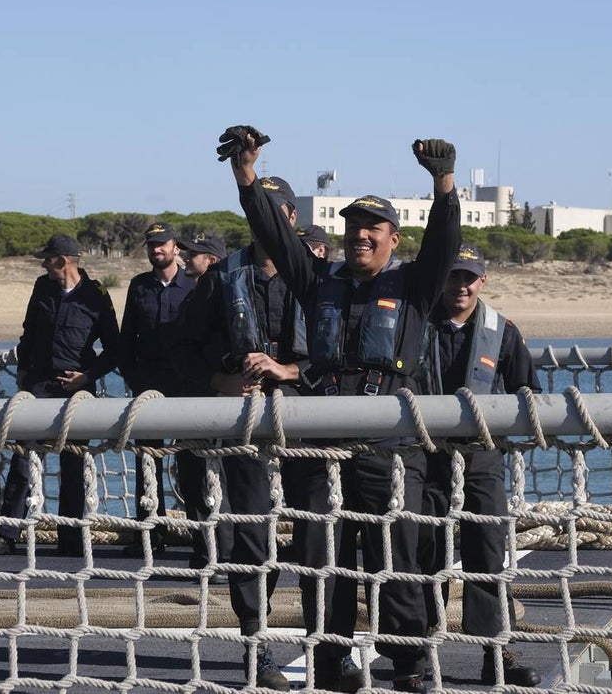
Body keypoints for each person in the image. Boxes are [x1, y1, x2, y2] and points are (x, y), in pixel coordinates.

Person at [219, 125, 462, 693]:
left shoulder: (415, 288)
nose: (360, 236)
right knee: (321, 560)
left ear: (392, 239)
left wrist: (444, 182)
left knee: (395, 560)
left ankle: (408, 665)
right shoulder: (316, 281)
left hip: (389, 450)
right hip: (320, 446)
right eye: (353, 227)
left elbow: (445, 244)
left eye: (372, 228)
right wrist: (246, 174)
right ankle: (331, 662)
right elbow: (274, 237)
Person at [173, 177, 309, 690]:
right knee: (253, 538)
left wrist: (288, 371)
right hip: (244, 426)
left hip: (308, 428)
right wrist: (221, 380)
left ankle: (331, 646)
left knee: (320, 537)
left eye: (278, 212)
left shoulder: (317, 277)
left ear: (292, 219)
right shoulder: (220, 278)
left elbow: (340, 355)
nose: (269, 220)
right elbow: (185, 349)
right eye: (260, 211)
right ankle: (258, 644)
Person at [416, 244, 542, 687]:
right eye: (454, 276)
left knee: (487, 552)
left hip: (481, 457)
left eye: (469, 277)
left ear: (482, 282)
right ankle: (417, 655)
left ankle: (495, 653)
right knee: (422, 552)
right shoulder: (415, 324)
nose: (462, 286)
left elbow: (529, 391)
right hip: (425, 456)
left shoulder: (503, 331)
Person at [0, 235, 120, 558]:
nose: (44, 264)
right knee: (23, 462)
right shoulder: (42, 288)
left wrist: (88, 377)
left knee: (73, 465)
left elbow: (115, 349)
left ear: (64, 261)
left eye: (48, 259)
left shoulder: (96, 295)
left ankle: (71, 538)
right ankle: (7, 534)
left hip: (77, 391)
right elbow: (29, 332)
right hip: (39, 388)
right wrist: (23, 375)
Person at [116, 222, 203, 559]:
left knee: (190, 463)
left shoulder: (193, 286)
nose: (157, 250)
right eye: (152, 245)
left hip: (185, 387)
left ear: (176, 248)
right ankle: (151, 534)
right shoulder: (139, 287)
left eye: (162, 245)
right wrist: (133, 378)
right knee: (146, 463)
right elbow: (127, 341)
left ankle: (199, 536)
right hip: (148, 387)